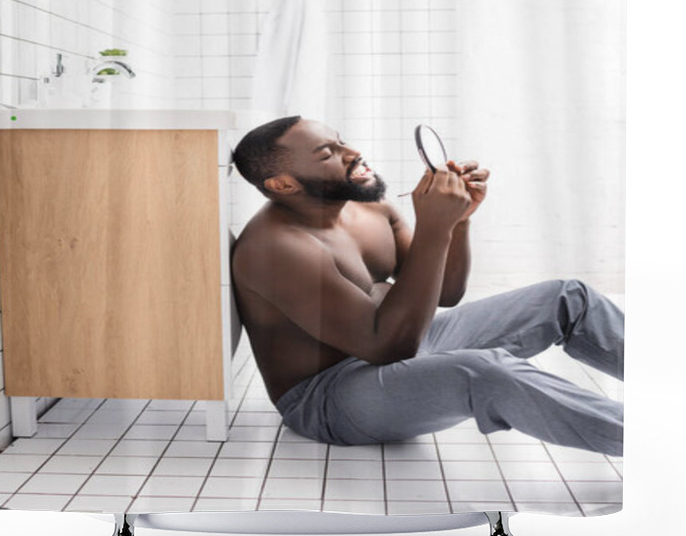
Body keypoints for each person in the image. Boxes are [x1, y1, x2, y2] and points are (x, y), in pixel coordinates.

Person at [230, 115, 624, 456]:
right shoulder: (277, 248)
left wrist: (458, 220)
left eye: (341, 140)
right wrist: (434, 227)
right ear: (282, 184)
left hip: (400, 348)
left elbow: (447, 293)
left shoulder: (371, 208)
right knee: (485, 371)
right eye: (326, 154)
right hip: (327, 396)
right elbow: (389, 347)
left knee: (567, 297)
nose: (352, 153)